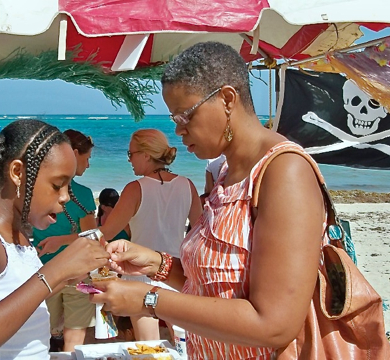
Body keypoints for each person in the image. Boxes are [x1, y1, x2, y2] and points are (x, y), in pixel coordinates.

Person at [89, 41, 338, 359]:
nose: (178, 131)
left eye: (185, 116)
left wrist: (149, 299)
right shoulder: (227, 174)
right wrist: (157, 263)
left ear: (227, 99)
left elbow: (275, 324)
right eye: (174, 119)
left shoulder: (284, 171)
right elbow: (218, 286)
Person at [0, 119, 110, 360]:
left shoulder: (19, 236)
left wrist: (68, 277)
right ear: (17, 173)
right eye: (57, 185)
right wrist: (54, 272)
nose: (65, 197)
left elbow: (17, 299)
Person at [96, 128, 202, 341]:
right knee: (185, 343)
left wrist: (74, 244)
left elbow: (106, 232)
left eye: (131, 154)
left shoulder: (135, 188)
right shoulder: (187, 185)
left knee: (149, 346)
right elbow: (201, 229)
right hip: (177, 270)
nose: (129, 160)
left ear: (146, 154)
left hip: (140, 273)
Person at [31, 129, 97, 352]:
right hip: (74, 272)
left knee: (39, 339)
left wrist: (59, 240)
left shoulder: (37, 190)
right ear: (74, 153)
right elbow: (92, 237)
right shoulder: (83, 195)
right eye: (86, 159)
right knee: (74, 341)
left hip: (44, 273)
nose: (87, 165)